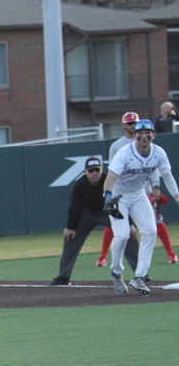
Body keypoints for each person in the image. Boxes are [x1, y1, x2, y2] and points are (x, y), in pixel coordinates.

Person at [104, 119, 179, 295]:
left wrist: (177, 195)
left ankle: (139, 276)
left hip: (138, 194)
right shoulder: (124, 153)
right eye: (140, 134)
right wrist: (108, 198)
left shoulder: (158, 153)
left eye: (147, 133)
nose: (143, 137)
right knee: (122, 235)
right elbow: (110, 179)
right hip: (118, 194)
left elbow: (167, 176)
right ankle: (116, 272)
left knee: (150, 231)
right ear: (135, 136)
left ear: (153, 135)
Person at [50, 156, 139, 286]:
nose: (94, 173)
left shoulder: (108, 180)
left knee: (129, 235)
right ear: (85, 172)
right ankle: (63, 276)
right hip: (87, 214)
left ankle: (141, 273)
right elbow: (75, 206)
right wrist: (71, 227)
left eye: (97, 170)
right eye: (91, 170)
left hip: (108, 213)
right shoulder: (80, 185)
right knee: (70, 238)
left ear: (101, 170)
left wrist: (129, 223)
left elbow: (121, 203)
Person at [97, 112, 139, 267]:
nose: (133, 126)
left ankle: (144, 268)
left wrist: (155, 186)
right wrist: (110, 191)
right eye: (130, 123)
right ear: (123, 125)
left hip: (141, 189)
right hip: (121, 189)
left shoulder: (144, 142)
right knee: (118, 227)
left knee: (152, 226)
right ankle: (108, 260)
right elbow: (112, 172)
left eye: (135, 123)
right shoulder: (117, 145)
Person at [148, 175, 179, 263]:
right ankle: (104, 256)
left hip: (146, 191)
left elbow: (164, 200)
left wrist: (156, 189)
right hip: (126, 192)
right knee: (118, 225)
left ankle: (171, 254)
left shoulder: (152, 165)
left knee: (156, 222)